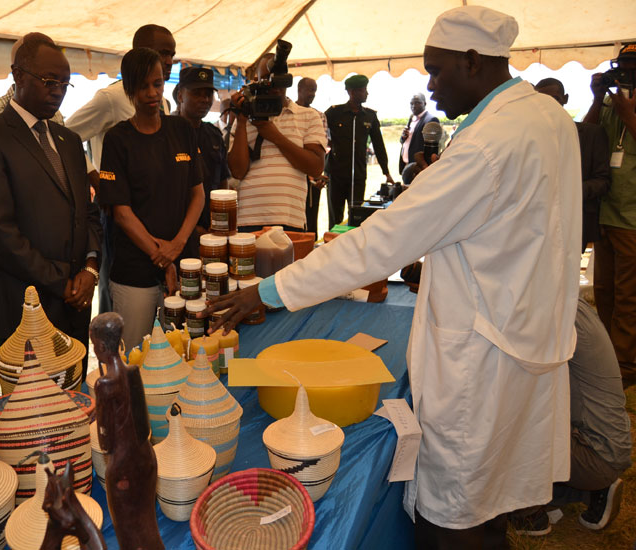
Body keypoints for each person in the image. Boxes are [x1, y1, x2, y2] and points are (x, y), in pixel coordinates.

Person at [210, 6, 581, 548]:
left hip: (484, 356)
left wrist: (269, 290)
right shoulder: (546, 118)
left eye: (436, 70)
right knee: (490, 499)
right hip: (527, 333)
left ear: (473, 61)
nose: (429, 86)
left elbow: (378, 242)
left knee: (449, 515)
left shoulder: (486, 145)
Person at [0, 34, 102, 351]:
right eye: (50, 81)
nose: (58, 93)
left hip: (77, 302)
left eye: (66, 84)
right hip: (26, 304)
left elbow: (89, 213)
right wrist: (61, 282)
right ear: (18, 76)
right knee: (31, 400)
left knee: (75, 396)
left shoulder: (68, 139)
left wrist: (90, 270)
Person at [66, 24, 175, 315]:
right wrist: (95, 176)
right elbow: (66, 135)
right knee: (117, 297)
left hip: (157, 214)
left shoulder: (163, 101)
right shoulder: (112, 98)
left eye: (172, 55)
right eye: (162, 53)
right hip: (121, 213)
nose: (168, 61)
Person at [99, 47, 204, 350]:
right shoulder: (118, 139)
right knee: (134, 354)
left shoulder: (182, 129)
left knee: (186, 350)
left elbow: (197, 194)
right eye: (142, 86)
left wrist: (177, 246)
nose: (151, 93)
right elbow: (121, 212)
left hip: (184, 262)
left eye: (157, 84)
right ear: (129, 89)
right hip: (135, 271)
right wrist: (161, 255)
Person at [511, 298, 631, 536]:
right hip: (603, 447)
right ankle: (588, 491)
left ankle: (526, 511)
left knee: (507, 420)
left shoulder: (552, 313)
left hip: (594, 453)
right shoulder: (565, 300)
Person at [583, 42, 636, 387]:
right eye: (624, 66)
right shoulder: (607, 102)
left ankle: (625, 365)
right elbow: (586, 133)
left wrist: (627, 112)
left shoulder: (623, 105)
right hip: (606, 213)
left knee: (628, 295)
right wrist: (597, 96)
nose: (627, 74)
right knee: (603, 289)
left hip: (632, 217)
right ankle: (606, 357)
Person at [228, 55, 327, 232]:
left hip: (290, 220)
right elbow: (237, 171)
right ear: (256, 81)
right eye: (267, 78)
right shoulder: (244, 118)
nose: (273, 85)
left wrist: (275, 136)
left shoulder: (309, 116)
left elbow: (316, 167)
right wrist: (242, 119)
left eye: (278, 78)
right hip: (248, 220)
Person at [535, 78, 611, 251]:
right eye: (542, 100)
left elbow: (603, 180)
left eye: (554, 99)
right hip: (537, 223)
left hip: (576, 222)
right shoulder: (529, 136)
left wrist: (570, 191)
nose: (549, 105)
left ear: (565, 99)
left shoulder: (591, 134)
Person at [325, 75, 394, 228]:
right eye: (363, 90)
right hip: (336, 174)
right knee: (335, 217)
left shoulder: (370, 115)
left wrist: (386, 171)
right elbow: (319, 135)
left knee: (356, 215)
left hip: (358, 174)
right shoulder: (333, 113)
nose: (367, 93)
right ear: (352, 92)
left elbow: (379, 145)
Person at [175, 66, 229, 234]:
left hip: (211, 230)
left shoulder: (214, 135)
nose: (204, 99)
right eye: (196, 93)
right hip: (176, 230)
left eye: (208, 94)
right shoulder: (168, 133)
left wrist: (219, 222)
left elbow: (222, 182)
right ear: (180, 96)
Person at [296, 77, 329, 235]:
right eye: (310, 90)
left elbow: (319, 149)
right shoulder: (287, 113)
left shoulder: (319, 116)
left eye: (315, 91)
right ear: (299, 89)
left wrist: (315, 176)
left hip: (313, 177)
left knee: (311, 223)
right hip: (295, 177)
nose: (312, 94)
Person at [399, 93, 439, 174]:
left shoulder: (430, 120)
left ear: (425, 103)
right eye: (411, 103)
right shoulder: (411, 119)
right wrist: (403, 137)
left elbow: (431, 150)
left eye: (417, 103)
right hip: (407, 164)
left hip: (418, 167)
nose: (413, 106)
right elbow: (407, 141)